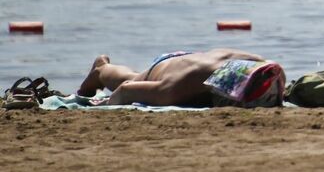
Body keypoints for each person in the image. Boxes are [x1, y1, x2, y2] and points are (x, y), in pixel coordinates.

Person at [75, 50, 285, 107]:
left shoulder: (270, 71)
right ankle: (101, 68)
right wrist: (102, 106)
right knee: (131, 78)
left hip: (201, 59)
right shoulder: (175, 89)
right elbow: (126, 90)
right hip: (168, 66)